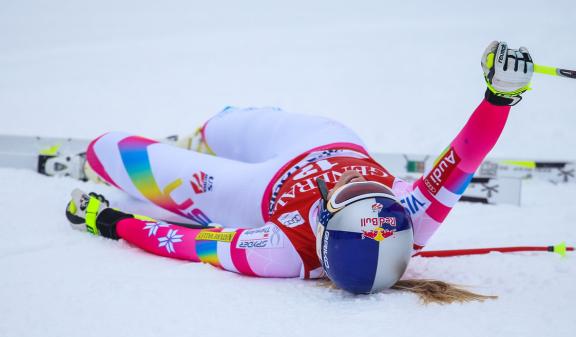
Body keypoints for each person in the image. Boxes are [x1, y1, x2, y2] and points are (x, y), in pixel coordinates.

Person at [65, 41, 534, 303]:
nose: (359, 181)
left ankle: (192, 154)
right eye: (376, 187)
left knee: (105, 150)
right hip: (324, 139)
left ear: (324, 223)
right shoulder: (412, 217)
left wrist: (111, 223)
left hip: (250, 192)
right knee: (221, 125)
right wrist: (500, 97)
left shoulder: (281, 254)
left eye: (350, 193)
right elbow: (466, 157)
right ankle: (203, 137)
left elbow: (188, 244)